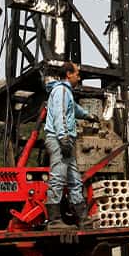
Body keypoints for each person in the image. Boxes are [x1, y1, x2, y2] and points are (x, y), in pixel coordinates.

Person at [44, 62, 97, 228]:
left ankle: (82, 218)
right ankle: (54, 220)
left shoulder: (65, 92)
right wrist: (64, 138)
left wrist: (88, 115)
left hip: (65, 139)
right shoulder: (61, 90)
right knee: (58, 177)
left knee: (74, 180)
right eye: (77, 74)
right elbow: (60, 115)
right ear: (68, 74)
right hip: (60, 139)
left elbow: (73, 109)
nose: (79, 77)